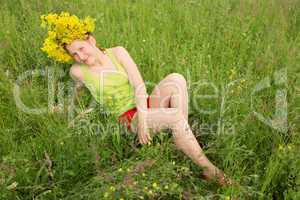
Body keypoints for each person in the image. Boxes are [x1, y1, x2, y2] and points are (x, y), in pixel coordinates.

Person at [40, 12, 230, 186]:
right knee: (174, 117)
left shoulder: (118, 52)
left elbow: (139, 85)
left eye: (81, 48)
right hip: (126, 118)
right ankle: (210, 171)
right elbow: (78, 90)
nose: (80, 56)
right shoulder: (78, 71)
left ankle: (180, 139)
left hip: (144, 106)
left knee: (176, 79)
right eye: (74, 54)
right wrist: (64, 107)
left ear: (91, 40)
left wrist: (145, 121)